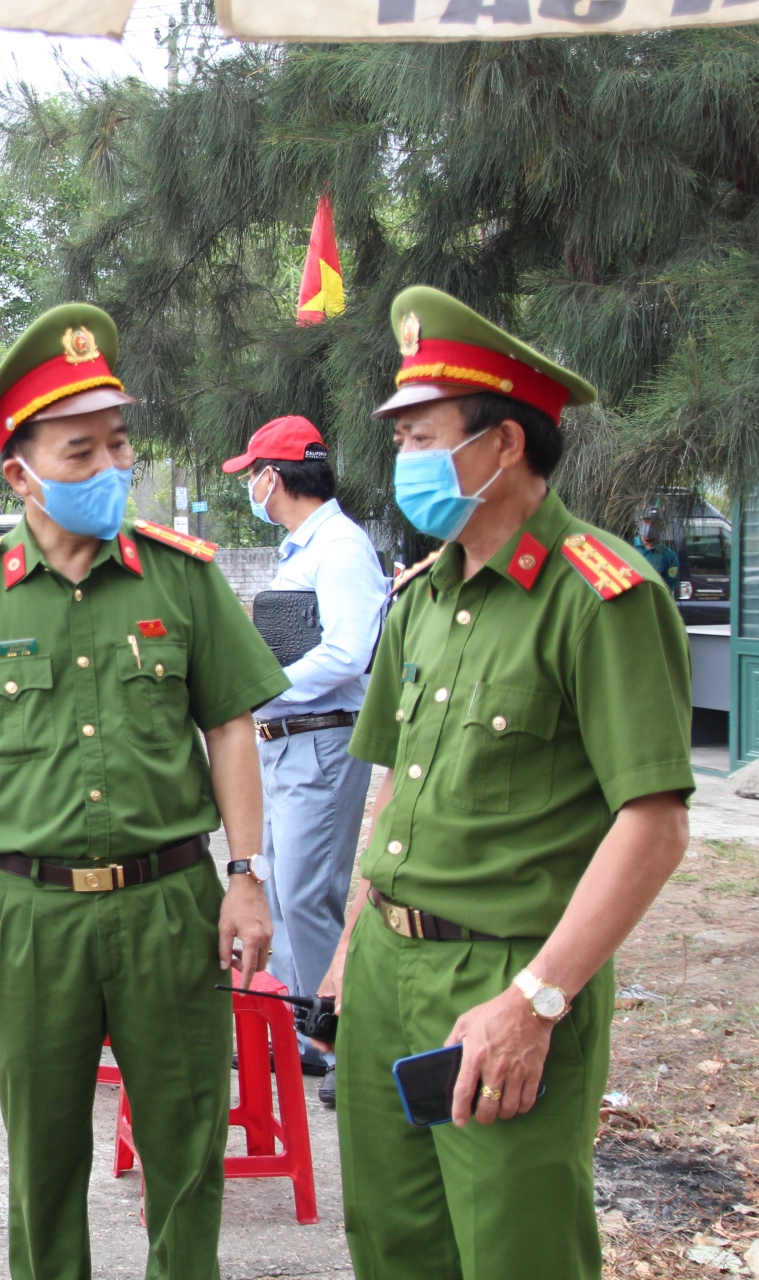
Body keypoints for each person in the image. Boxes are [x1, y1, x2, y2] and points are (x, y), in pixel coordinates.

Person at [0, 303, 288, 1280]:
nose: (111, 466)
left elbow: (230, 726)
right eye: (80, 451)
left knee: (187, 1150)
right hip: (33, 917)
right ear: (20, 474)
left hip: (171, 904)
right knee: (44, 1158)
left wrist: (245, 875)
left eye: (118, 444)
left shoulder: (180, 579)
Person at [318, 287, 693, 1280]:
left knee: (515, 1250)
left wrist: (537, 999)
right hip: (386, 969)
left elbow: (653, 825)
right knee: (393, 1245)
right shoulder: (422, 598)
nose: (403, 460)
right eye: (399, 438)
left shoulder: (598, 595)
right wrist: (352, 943)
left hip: (506, 976)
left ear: (505, 443)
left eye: (422, 437)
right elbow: (396, 783)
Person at [222, 415, 389, 1101]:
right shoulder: (304, 548)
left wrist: (263, 688)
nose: (250, 490)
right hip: (288, 739)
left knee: (309, 895)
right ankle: (299, 1033)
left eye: (251, 476)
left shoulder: (340, 548)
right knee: (284, 891)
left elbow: (349, 652)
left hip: (321, 737)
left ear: (273, 476)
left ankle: (333, 1040)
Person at [633, 512, 682, 597]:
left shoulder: (668, 556)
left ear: (661, 528)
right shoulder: (626, 545)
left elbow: (669, 586)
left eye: (654, 523)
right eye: (646, 522)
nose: (649, 527)